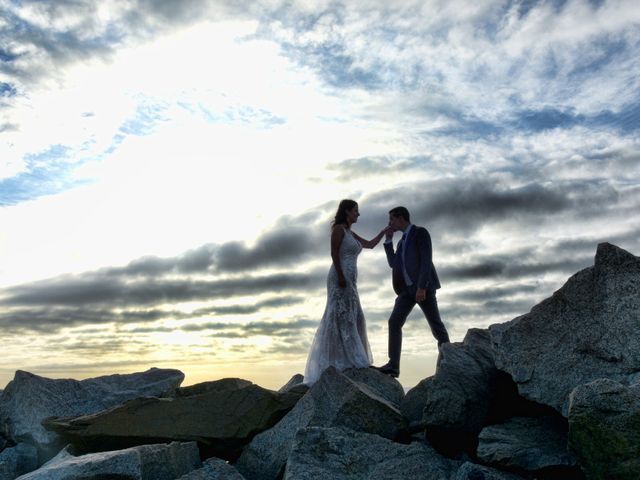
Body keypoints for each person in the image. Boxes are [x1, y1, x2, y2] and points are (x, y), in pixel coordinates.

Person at [304, 199, 390, 385]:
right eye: (355, 211)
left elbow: (370, 244)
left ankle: (349, 357)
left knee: (355, 316)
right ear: (347, 212)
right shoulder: (339, 230)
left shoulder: (350, 232)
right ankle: (341, 360)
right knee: (340, 316)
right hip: (339, 278)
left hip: (351, 280)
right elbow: (334, 253)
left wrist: (384, 232)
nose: (358, 214)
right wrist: (341, 276)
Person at [375, 206, 450, 378]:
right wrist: (388, 241)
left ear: (400, 218)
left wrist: (422, 287)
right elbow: (394, 264)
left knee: (436, 326)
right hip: (406, 291)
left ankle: (449, 359)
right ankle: (393, 365)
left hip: (423, 288)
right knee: (394, 322)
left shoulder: (420, 232)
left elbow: (426, 259)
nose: (389, 224)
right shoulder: (401, 241)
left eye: (391, 220)